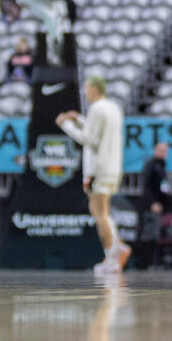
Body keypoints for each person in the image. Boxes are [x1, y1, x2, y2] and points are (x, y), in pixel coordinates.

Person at [56, 75, 129, 274]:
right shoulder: (114, 108)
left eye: (87, 87)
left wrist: (65, 124)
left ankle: (114, 253)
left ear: (96, 88)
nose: (85, 91)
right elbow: (98, 131)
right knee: (101, 211)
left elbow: (88, 138)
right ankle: (114, 250)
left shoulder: (96, 109)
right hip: (112, 166)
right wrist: (79, 119)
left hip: (98, 168)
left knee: (100, 212)